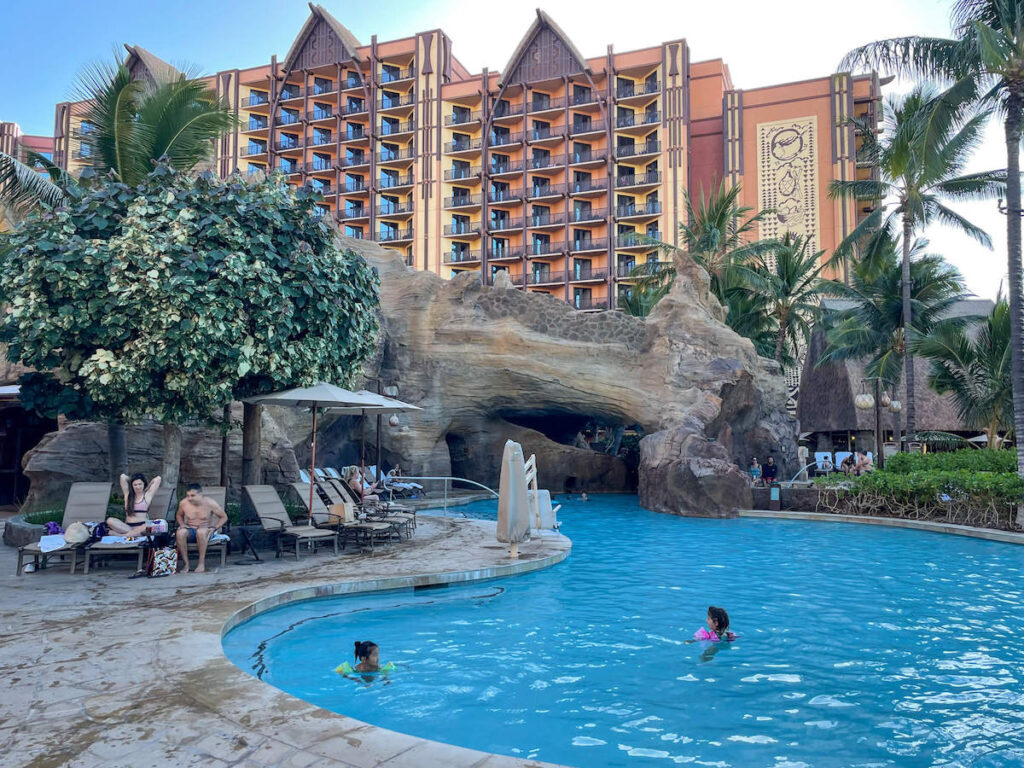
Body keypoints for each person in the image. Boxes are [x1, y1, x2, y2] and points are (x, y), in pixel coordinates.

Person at [174, 483, 227, 574]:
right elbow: (179, 515)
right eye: (188, 496)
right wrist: (182, 524)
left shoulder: (210, 503)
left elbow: (224, 517)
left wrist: (214, 528)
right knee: (180, 532)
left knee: (201, 532)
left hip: (205, 530)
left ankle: (201, 563)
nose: (189, 498)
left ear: (200, 495)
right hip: (190, 529)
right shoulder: (184, 503)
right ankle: (186, 564)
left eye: (193, 496)